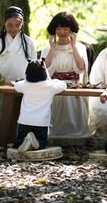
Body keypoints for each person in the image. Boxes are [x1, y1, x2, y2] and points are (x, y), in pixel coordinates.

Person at [0, 6, 36, 144]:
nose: (13, 29)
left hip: (20, 83)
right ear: (4, 23)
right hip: (0, 82)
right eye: (10, 25)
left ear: (22, 24)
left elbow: (33, 64)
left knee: (19, 110)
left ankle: (18, 137)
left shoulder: (28, 42)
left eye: (17, 25)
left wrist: (29, 78)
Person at [40, 11, 90, 140]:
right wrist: (52, 49)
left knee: (73, 117)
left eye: (65, 29)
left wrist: (73, 47)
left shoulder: (79, 47)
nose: (62, 32)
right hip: (54, 87)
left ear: (71, 29)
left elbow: (80, 68)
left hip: (73, 86)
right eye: (59, 29)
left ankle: (76, 139)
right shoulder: (47, 48)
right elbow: (44, 70)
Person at [12, 58, 67, 153]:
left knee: (18, 142)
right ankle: (33, 143)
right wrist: (50, 78)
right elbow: (63, 85)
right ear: (44, 71)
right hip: (41, 122)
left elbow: (16, 86)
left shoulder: (25, 85)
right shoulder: (49, 86)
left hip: (25, 120)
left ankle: (25, 141)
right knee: (41, 142)